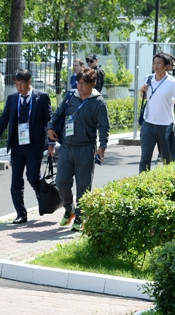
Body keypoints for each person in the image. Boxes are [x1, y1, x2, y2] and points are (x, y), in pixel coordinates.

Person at [47, 68, 109, 231]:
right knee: (61, 181)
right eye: (78, 83)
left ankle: (80, 217)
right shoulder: (70, 97)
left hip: (86, 149)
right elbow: (57, 115)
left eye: (84, 83)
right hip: (66, 147)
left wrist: (102, 147)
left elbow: (104, 127)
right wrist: (50, 128)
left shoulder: (99, 102)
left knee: (83, 186)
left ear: (93, 84)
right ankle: (69, 210)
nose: (80, 86)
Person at [0, 68, 52, 224]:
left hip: (35, 146)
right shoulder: (12, 99)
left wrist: (51, 144)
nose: (19, 88)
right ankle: (21, 213)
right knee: (15, 182)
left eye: (22, 84)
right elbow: (3, 121)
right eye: (16, 84)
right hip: (17, 146)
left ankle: (43, 197)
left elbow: (49, 121)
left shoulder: (42, 97)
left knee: (33, 177)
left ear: (29, 82)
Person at [137, 52, 175, 172]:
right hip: (148, 124)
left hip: (166, 126)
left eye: (159, 63)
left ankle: (167, 184)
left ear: (167, 66)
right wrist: (142, 91)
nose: (156, 66)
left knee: (167, 159)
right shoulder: (148, 78)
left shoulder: (173, 82)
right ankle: (142, 184)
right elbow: (145, 97)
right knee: (145, 158)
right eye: (154, 63)